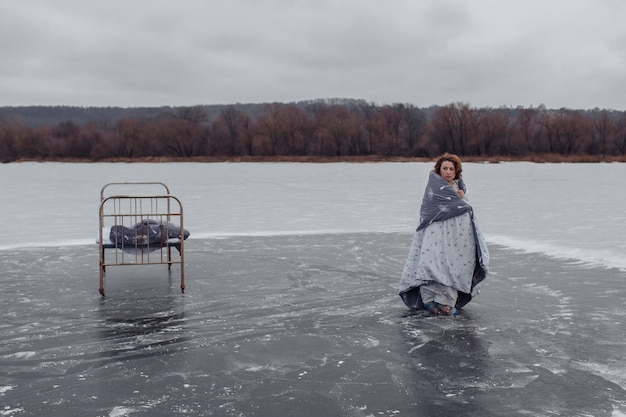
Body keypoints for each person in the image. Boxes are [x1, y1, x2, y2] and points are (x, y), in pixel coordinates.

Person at [398, 153, 489, 315]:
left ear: (456, 171)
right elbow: (428, 210)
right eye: (444, 168)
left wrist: (462, 198)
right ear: (439, 170)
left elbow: (467, 209)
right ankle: (429, 301)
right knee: (432, 263)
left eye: (451, 169)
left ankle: (447, 302)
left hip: (456, 236)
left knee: (452, 266)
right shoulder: (434, 188)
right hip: (436, 234)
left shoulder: (460, 188)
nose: (447, 172)